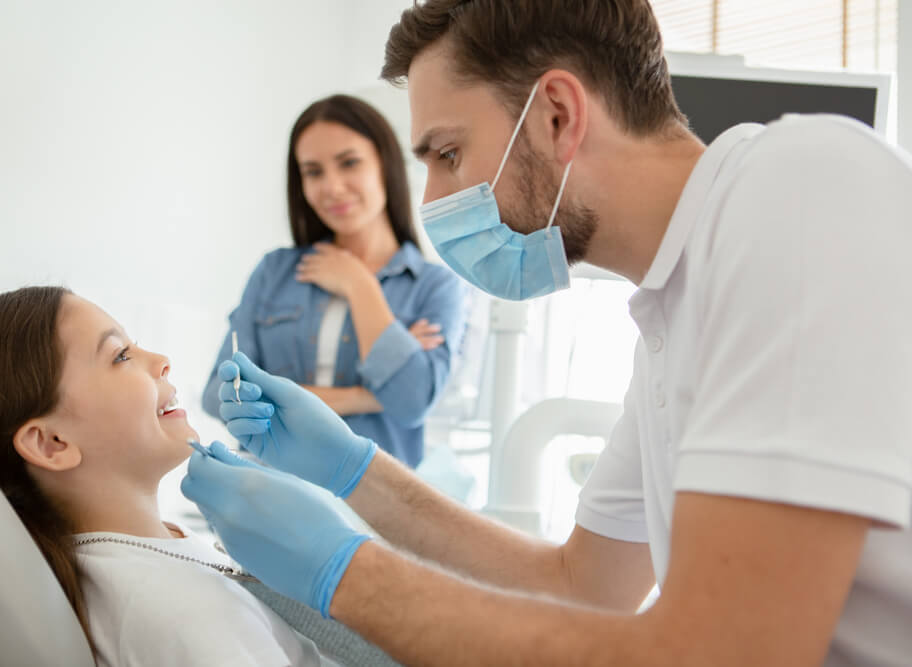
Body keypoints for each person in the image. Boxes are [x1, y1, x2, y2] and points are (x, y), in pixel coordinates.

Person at [182, 1, 912, 665]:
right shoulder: (669, 317)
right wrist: (355, 471)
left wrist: (343, 571)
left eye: (447, 153)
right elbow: (582, 584)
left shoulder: (800, 184)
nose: (433, 200)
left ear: (556, 114)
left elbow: (721, 651)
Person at [0, 286, 343, 667]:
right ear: (52, 443)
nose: (162, 361)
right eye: (121, 355)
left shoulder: (149, 557)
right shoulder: (173, 610)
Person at [202, 94, 467, 468]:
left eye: (349, 163)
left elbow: (411, 402)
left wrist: (360, 287)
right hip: (271, 491)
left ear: (384, 164)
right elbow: (217, 393)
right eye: (313, 171)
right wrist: (367, 396)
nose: (332, 187)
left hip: (378, 507)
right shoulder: (275, 272)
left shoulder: (436, 287)